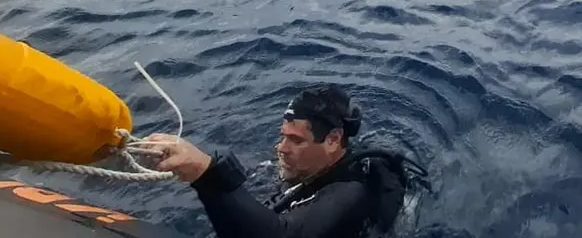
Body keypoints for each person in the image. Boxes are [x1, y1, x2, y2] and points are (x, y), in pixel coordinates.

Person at [138, 85, 426, 238]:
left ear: (333, 140)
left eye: (296, 140)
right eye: (283, 136)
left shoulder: (349, 193)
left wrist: (206, 173)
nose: (281, 148)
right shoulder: (308, 172)